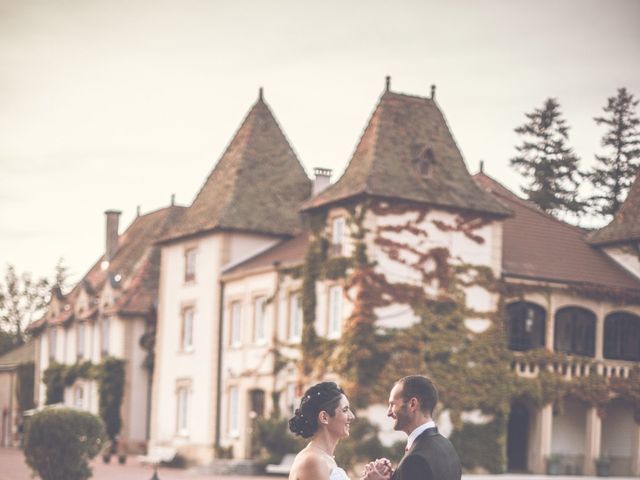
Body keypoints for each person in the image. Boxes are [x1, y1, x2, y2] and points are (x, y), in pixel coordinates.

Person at [363, 375, 461, 480]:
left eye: (392, 404)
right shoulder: (446, 445)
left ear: (412, 404)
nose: (389, 412)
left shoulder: (415, 460)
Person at [288, 381, 363, 480]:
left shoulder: (323, 458)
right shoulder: (313, 460)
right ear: (324, 417)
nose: (352, 416)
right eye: (345, 410)